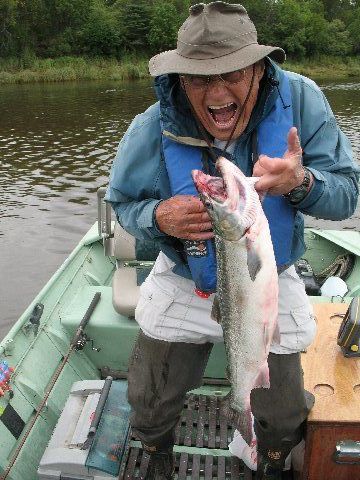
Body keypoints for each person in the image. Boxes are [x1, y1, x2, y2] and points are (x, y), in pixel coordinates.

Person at [106, 2, 359, 479]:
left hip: (265, 273)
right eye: (200, 78)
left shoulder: (301, 103)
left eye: (233, 74)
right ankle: (157, 452)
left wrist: (302, 183)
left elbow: (348, 194)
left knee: (284, 415)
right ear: (181, 80)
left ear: (261, 69)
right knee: (148, 398)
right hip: (185, 273)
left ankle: (271, 454)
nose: (218, 93)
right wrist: (159, 218)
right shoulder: (149, 127)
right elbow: (122, 204)